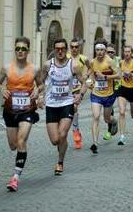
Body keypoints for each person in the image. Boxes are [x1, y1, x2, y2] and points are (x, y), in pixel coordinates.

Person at [0, 37, 40, 192]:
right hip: (10, 110)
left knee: (21, 141)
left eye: (23, 49)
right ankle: (21, 152)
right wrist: (1, 89)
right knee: (13, 145)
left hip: (27, 110)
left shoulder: (34, 69)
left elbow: (41, 85)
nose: (20, 51)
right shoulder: (7, 68)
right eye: (18, 48)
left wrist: (37, 91)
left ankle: (15, 177)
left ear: (28, 51)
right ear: (15, 50)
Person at [37, 38, 86, 175]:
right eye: (57, 49)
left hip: (67, 103)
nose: (60, 51)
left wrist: (79, 96)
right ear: (54, 50)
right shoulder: (48, 65)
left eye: (62, 49)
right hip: (51, 105)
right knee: (55, 140)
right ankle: (62, 146)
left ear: (66, 50)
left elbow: (85, 83)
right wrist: (40, 96)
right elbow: (40, 82)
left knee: (62, 134)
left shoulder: (74, 65)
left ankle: (60, 162)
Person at [87, 38, 118, 154]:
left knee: (106, 118)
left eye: (101, 50)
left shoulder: (110, 62)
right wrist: (90, 81)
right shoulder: (92, 62)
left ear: (105, 50)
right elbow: (91, 74)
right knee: (95, 117)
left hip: (109, 94)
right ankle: (95, 143)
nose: (99, 52)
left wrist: (105, 77)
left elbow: (119, 75)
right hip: (96, 94)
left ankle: (113, 121)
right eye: (97, 50)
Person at [67, 38, 90, 149]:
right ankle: (76, 131)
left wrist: (86, 75)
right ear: (70, 48)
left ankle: (75, 131)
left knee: (75, 107)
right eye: (72, 47)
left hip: (78, 88)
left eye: (76, 47)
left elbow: (91, 69)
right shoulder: (65, 58)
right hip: (66, 90)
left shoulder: (84, 59)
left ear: (79, 48)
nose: (74, 49)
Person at [117, 45, 133, 145]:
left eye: (128, 52)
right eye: (125, 51)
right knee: (122, 112)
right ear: (123, 52)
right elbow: (118, 74)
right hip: (123, 89)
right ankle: (122, 136)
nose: (127, 53)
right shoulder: (121, 62)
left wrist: (130, 73)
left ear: (131, 53)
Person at [103, 43, 121, 140]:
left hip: (115, 87)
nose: (110, 54)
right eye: (108, 52)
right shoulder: (101, 60)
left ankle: (109, 131)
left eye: (112, 52)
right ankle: (112, 123)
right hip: (103, 88)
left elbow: (119, 73)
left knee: (110, 108)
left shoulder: (117, 61)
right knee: (106, 109)